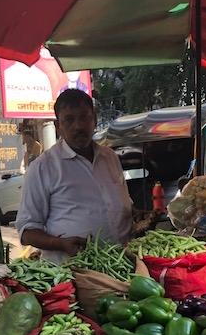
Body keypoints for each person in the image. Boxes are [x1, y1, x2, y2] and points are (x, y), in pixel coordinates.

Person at [16, 89, 133, 262]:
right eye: (69, 120)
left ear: (94, 119)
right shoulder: (42, 167)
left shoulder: (110, 157)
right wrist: (60, 244)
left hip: (121, 262)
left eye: (84, 117)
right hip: (73, 272)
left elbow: (121, 205)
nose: (78, 126)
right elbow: (26, 232)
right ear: (58, 126)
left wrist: (138, 216)